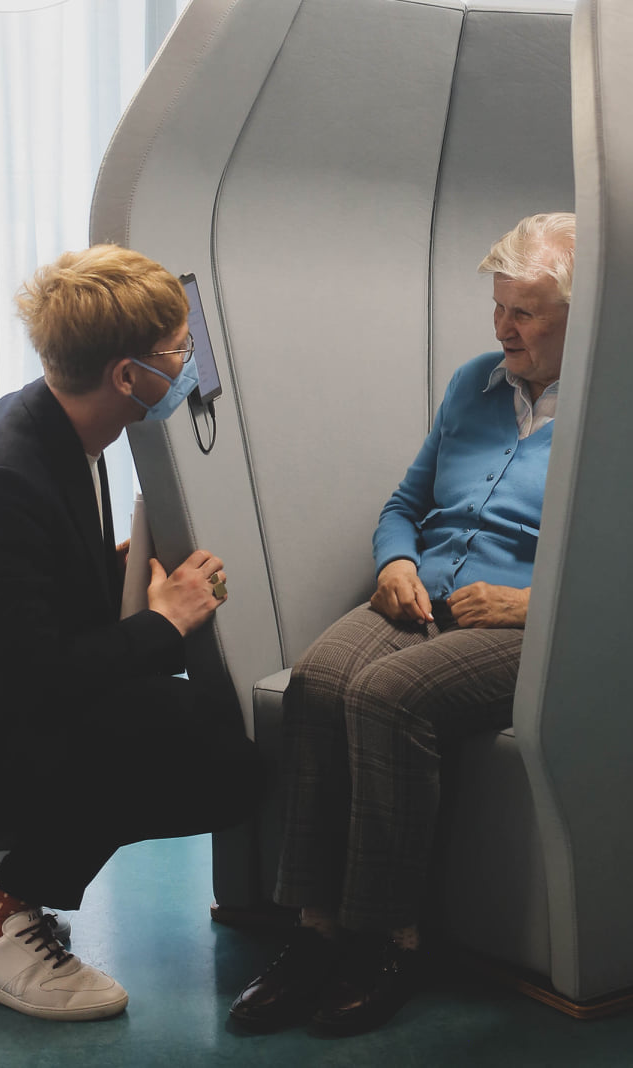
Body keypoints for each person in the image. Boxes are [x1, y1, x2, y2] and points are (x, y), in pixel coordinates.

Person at [0, 244, 261, 1022]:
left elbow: (16, 602)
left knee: (183, 721)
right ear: (127, 376)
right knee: (204, 751)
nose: (190, 357)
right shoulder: (3, 478)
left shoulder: (54, 423)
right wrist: (167, 621)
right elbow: (43, 680)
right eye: (177, 349)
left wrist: (117, 574)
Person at [230, 211, 575, 1037]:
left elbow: (627, 567)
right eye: (497, 307)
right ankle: (315, 933)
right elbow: (405, 505)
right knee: (317, 680)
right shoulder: (473, 385)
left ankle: (393, 941)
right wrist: (395, 563)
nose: (501, 327)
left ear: (580, 317)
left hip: (524, 625)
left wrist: (532, 605)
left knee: (389, 696)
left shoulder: (612, 417)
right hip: (424, 596)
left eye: (523, 313)